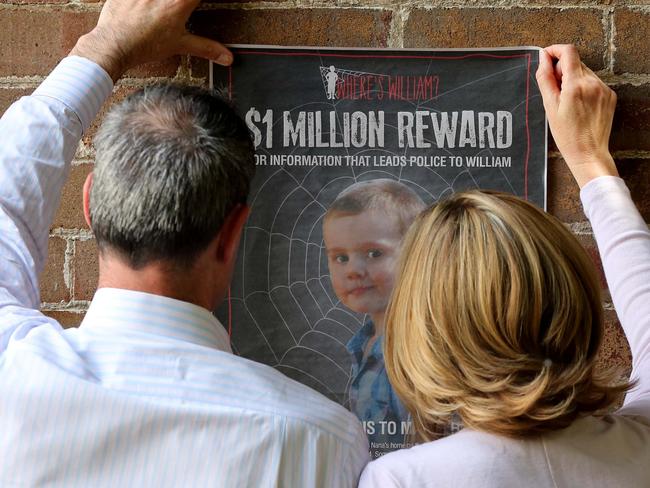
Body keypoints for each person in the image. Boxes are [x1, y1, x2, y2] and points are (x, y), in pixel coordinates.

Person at [0, 0, 369, 486]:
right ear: (234, 231)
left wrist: (103, 47)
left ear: (90, 205)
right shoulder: (323, 440)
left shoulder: (12, 371)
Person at [359, 44, 650, 487]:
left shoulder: (402, 479)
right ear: (576, 305)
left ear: (427, 333)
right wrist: (592, 162)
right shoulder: (641, 445)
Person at [322, 179, 426, 455]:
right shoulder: (365, 343)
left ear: (415, 254)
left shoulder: (415, 356)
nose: (353, 270)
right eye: (340, 258)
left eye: (373, 253)